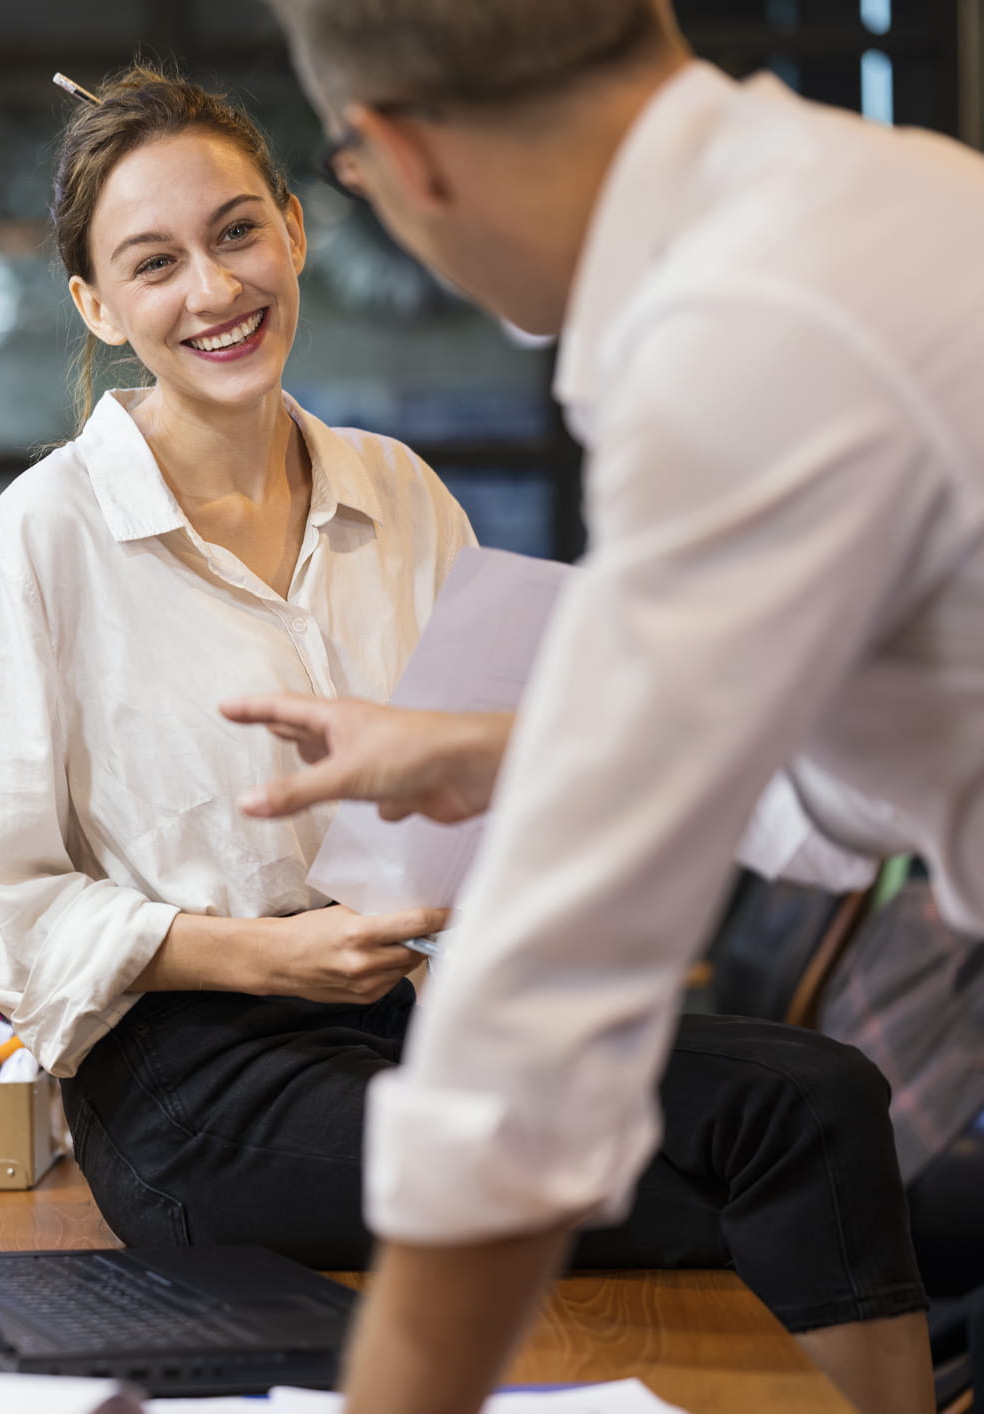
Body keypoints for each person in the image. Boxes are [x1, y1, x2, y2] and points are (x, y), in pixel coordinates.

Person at [0, 66, 927, 1414]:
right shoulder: (46, 535)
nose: (213, 291)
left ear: (290, 226)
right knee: (780, 1178)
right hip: (196, 1081)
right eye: (152, 264)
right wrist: (262, 952)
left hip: (421, 1013)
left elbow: (485, 785)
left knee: (813, 1096)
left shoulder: (394, 488)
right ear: (95, 307)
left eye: (234, 232)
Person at [219, 1, 984, 1410]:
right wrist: (511, 752)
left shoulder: (736, 334)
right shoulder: (880, 200)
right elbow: (876, 758)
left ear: (394, 154)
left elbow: (549, 1005)